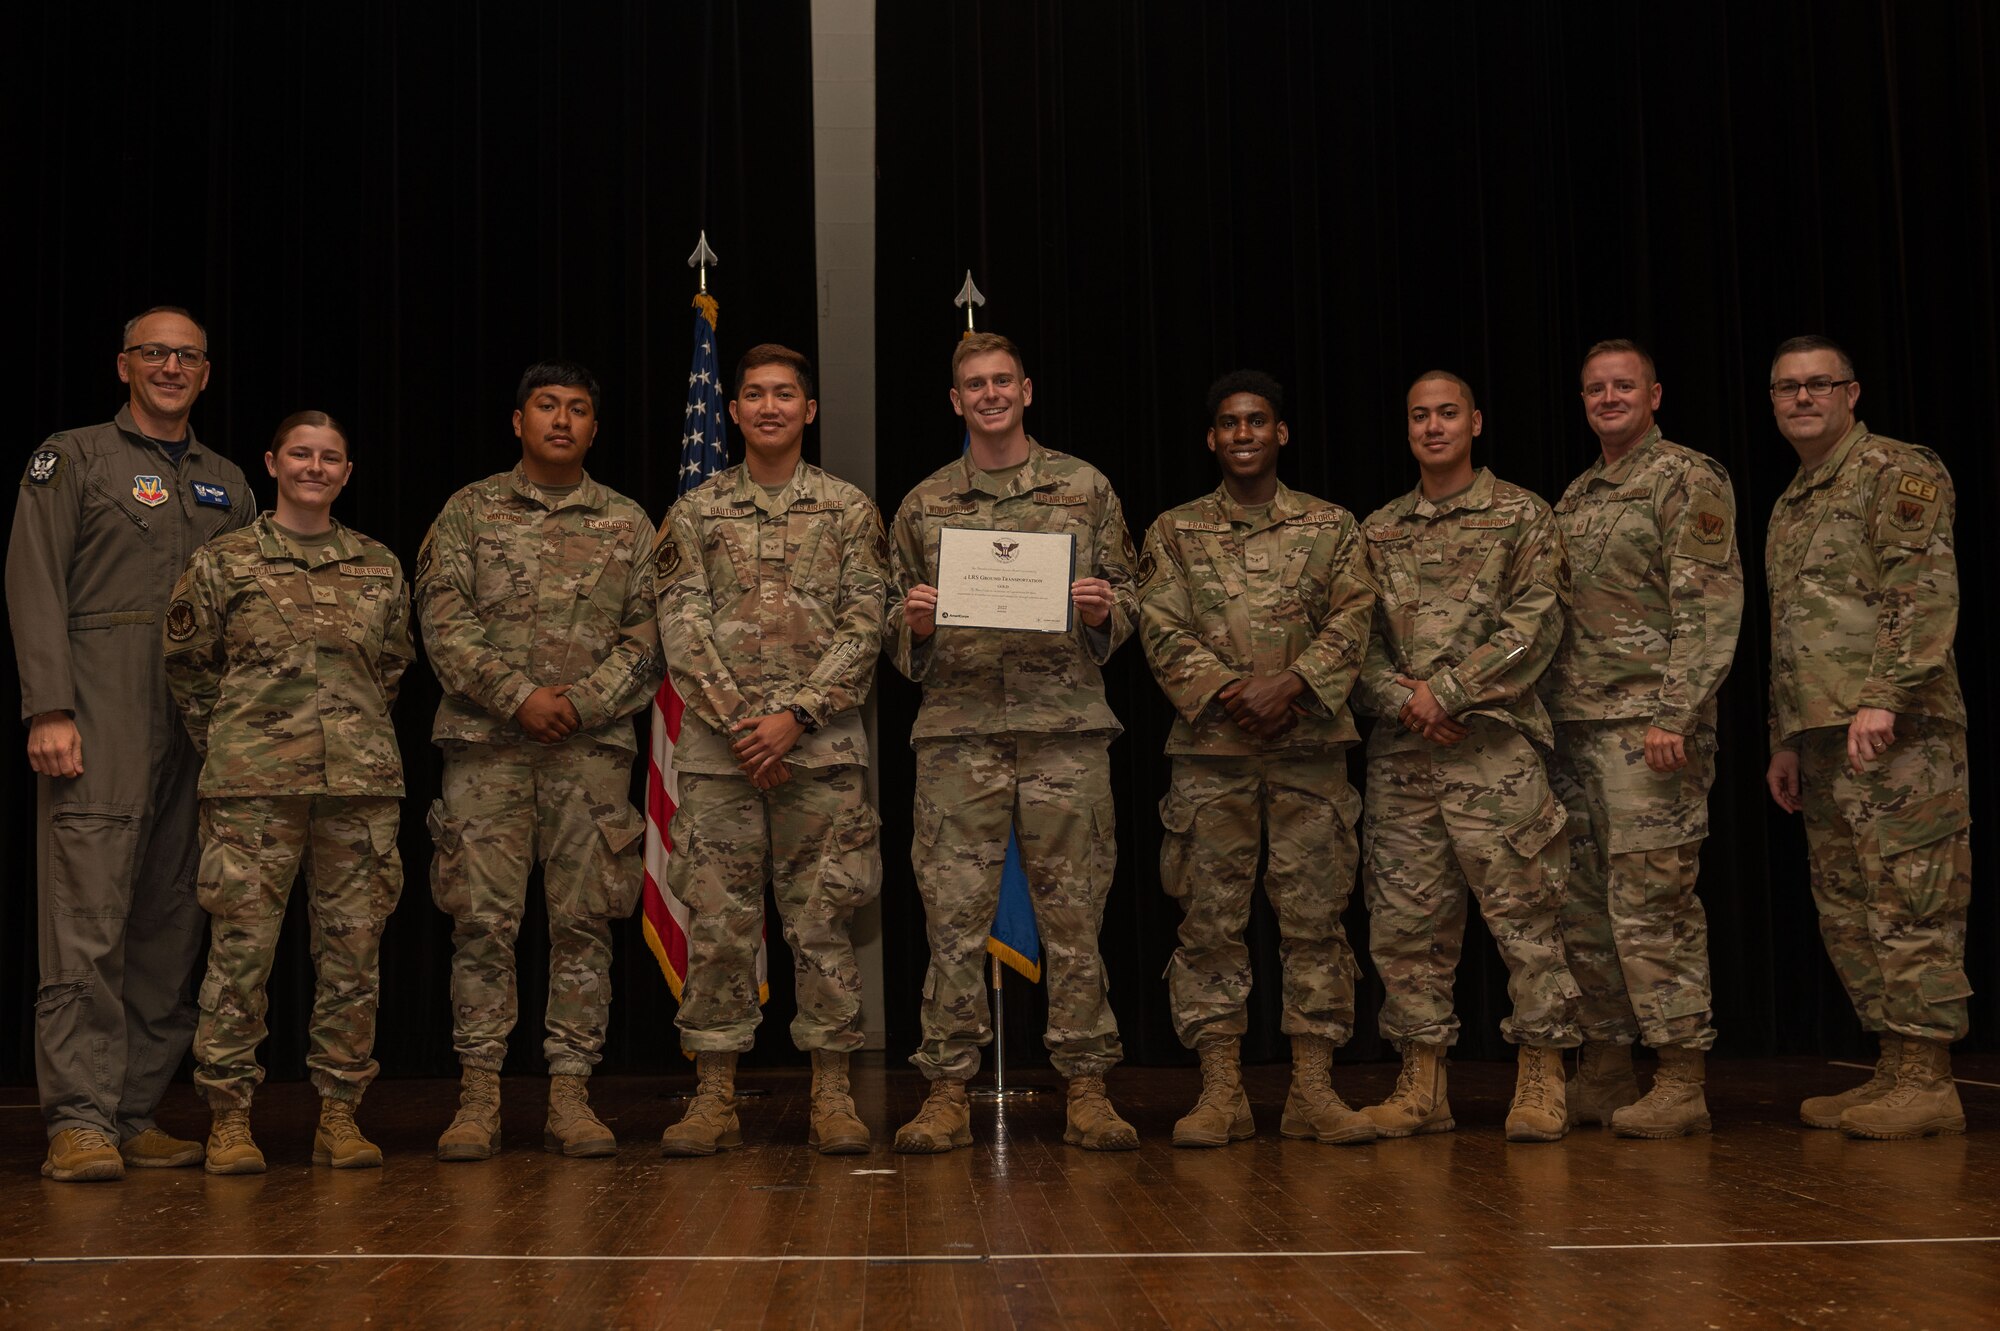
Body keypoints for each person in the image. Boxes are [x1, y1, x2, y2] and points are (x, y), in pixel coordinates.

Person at [7, 306, 255, 1182]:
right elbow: (33, 578)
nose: (171, 367)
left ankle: (134, 1109)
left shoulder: (230, 481)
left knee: (170, 921)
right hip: (101, 711)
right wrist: (49, 706)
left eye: (188, 356)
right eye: (155, 353)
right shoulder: (71, 457)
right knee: (87, 922)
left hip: (202, 728)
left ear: (206, 373)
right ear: (123, 364)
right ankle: (77, 1119)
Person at [885, 332, 1140, 1152]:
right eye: (973, 384)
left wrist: (1107, 612)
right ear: (955, 401)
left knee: (1076, 917)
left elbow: (1137, 599)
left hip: (1064, 733)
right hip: (959, 738)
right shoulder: (925, 505)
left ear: (1027, 390)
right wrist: (913, 623)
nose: (990, 394)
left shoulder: (1085, 487)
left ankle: (1090, 1088)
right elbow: (888, 625)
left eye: (1002, 380)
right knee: (951, 920)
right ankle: (947, 1090)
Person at [417, 361, 662, 1160]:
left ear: (596, 428)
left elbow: (651, 637)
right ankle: (479, 1096)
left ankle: (570, 1093)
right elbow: (443, 624)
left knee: (584, 921)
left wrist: (582, 703)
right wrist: (518, 695)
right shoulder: (468, 512)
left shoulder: (629, 523)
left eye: (579, 409)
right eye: (547, 406)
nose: (562, 419)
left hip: (590, 753)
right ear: (517, 421)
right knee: (481, 922)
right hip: (487, 748)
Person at [655, 345, 889, 1156]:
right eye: (752, 394)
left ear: (809, 410)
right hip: (723, 757)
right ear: (733, 411)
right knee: (719, 924)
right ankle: (714, 1094)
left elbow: (868, 626)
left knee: (823, 919)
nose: (768, 406)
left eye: (784, 394)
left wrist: (794, 715)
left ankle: (832, 1090)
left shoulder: (851, 511)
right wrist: (742, 723)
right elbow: (679, 627)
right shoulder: (694, 513)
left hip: (819, 753)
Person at [163, 412, 412, 1173]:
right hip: (251, 791)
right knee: (242, 954)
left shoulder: (378, 566)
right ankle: (230, 1117)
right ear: (272, 462)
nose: (314, 466)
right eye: (300, 453)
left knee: (352, 955)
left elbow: (393, 665)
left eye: (329, 456)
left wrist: (347, 734)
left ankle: (339, 1113)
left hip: (359, 791)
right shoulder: (225, 562)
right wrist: (237, 739)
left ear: (346, 471)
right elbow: (188, 662)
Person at [1137, 370, 1377, 1148]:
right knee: (1209, 923)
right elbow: (1159, 625)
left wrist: (1297, 683)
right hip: (1213, 753)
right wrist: (1226, 688)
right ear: (1212, 438)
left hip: (1309, 749)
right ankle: (1222, 1092)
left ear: (1281, 433)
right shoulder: (1173, 531)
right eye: (1230, 423)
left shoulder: (1332, 525)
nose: (1244, 434)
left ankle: (1312, 1088)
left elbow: (1355, 613)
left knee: (1316, 920)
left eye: (1258, 421)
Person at [1353, 370, 1580, 1142]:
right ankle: (1422, 1082)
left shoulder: (1524, 516)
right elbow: (1356, 645)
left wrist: (1445, 692)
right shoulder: (1378, 530)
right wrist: (1402, 700)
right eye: (1419, 415)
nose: (1433, 426)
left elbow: (1536, 623)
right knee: (1406, 926)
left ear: (1475, 421)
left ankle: (1545, 1074)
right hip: (1404, 760)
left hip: (1495, 753)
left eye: (1447, 412)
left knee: (1527, 915)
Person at [1763, 335, 1970, 1140]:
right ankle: (1892, 1064)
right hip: (1824, 736)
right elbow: (1795, 634)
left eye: (1818, 384)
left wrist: (1884, 697)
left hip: (1899, 730)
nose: (1802, 398)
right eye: (1787, 388)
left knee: (1910, 895)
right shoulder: (1794, 498)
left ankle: (1929, 1076)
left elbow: (1918, 589)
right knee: (1850, 907)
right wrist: (1786, 736)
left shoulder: (1896, 470)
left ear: (1853, 392)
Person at [1542, 340, 1742, 1139]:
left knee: (1652, 903)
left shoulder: (1688, 478)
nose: (1610, 397)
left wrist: (1677, 713)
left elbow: (1709, 605)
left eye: (1625, 385)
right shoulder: (1579, 493)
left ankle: (1681, 1073)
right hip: (1576, 730)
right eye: (1596, 387)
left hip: (1649, 732)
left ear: (1655, 394)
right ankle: (1608, 1065)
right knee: (1585, 909)